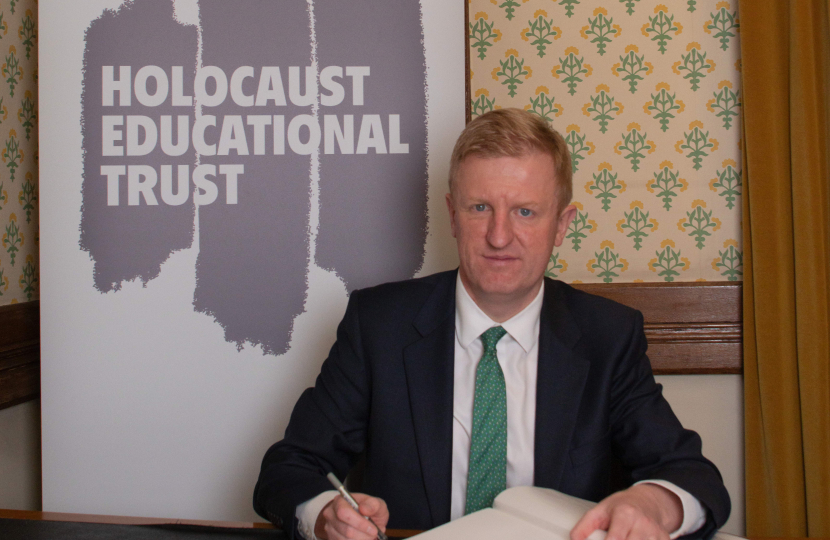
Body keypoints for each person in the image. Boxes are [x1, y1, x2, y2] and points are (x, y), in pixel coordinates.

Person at [253, 108, 730, 540]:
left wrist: (650, 502)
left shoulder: (609, 336)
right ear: (452, 216)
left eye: (525, 212)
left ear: (562, 225)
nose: (500, 236)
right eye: (480, 208)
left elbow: (694, 477)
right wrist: (323, 515)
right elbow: (288, 469)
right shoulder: (379, 326)